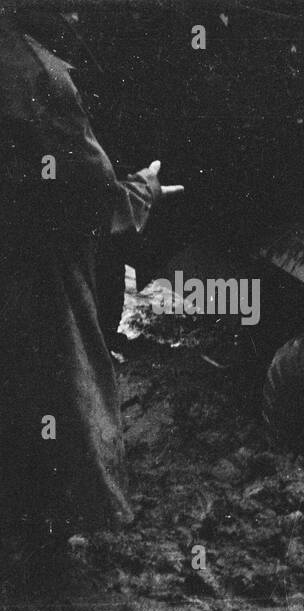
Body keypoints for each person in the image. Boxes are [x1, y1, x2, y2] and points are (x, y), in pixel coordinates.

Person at [0, 12, 180, 580]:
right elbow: (87, 197)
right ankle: (40, 547)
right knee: (54, 392)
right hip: (34, 269)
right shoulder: (37, 77)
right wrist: (142, 191)